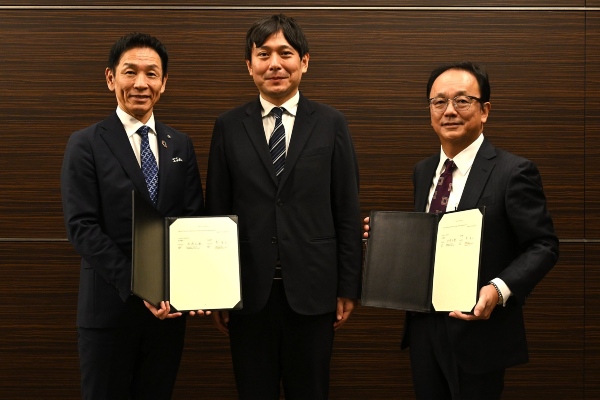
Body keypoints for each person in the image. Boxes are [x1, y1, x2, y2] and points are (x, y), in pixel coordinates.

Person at [363, 61, 559, 399]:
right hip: (423, 326)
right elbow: (429, 242)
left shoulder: (514, 171)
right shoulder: (423, 171)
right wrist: (386, 241)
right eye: (439, 102)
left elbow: (543, 245)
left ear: (484, 111)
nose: (449, 110)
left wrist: (497, 290)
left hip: (479, 328)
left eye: (462, 101)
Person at [205, 14, 362, 400]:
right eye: (263, 54)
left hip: (314, 291)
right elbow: (217, 213)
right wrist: (216, 291)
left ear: (304, 61)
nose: (274, 64)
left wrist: (348, 286)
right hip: (247, 293)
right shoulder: (228, 126)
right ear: (249, 65)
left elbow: (346, 208)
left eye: (285, 53)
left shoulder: (331, 123)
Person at [61, 32, 205, 400]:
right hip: (110, 312)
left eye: (151, 73)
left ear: (163, 82)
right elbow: (82, 227)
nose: (141, 83)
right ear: (111, 78)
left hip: (168, 315)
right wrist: (142, 287)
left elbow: (191, 221)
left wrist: (194, 286)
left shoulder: (180, 144)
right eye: (130, 72)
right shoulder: (86, 143)